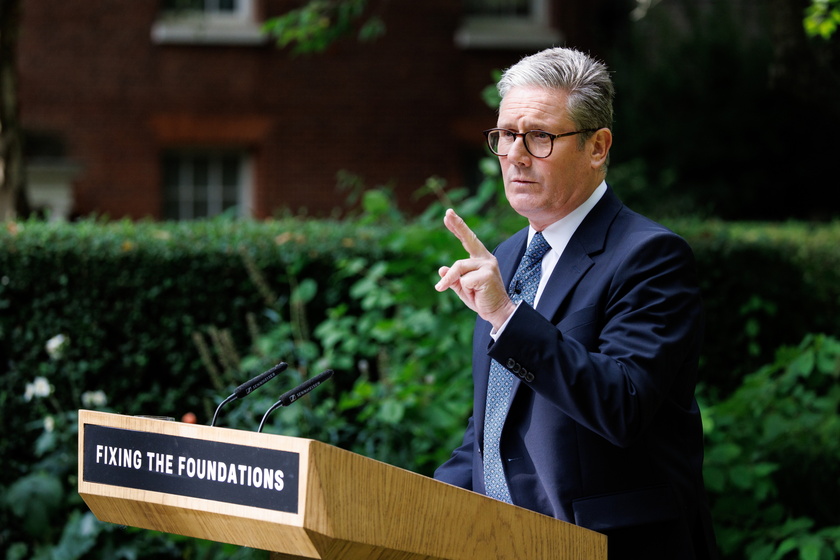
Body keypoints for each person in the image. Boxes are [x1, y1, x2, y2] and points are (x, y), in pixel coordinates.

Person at [433, 47, 718, 560]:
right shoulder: (507, 256)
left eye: (540, 136)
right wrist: (418, 506)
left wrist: (504, 316)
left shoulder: (651, 256)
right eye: (506, 136)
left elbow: (622, 404)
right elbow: (494, 425)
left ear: (597, 146)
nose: (516, 155)